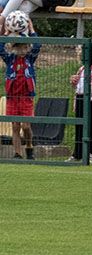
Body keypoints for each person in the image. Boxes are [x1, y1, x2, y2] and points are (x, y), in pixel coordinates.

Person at [0, 15, 40, 160]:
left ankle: (29, 146)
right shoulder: (10, 59)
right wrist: (4, 32)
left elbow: (37, 46)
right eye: (19, 46)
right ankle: (17, 153)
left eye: (24, 46)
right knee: (15, 127)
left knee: (26, 126)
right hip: (12, 97)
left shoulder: (30, 58)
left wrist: (31, 29)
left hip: (26, 97)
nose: (22, 50)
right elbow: (0, 48)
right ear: (14, 47)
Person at [66, 52, 92, 164]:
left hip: (91, 99)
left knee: (91, 126)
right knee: (79, 126)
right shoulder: (82, 69)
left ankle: (91, 153)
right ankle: (77, 154)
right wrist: (73, 80)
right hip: (80, 99)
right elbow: (77, 86)